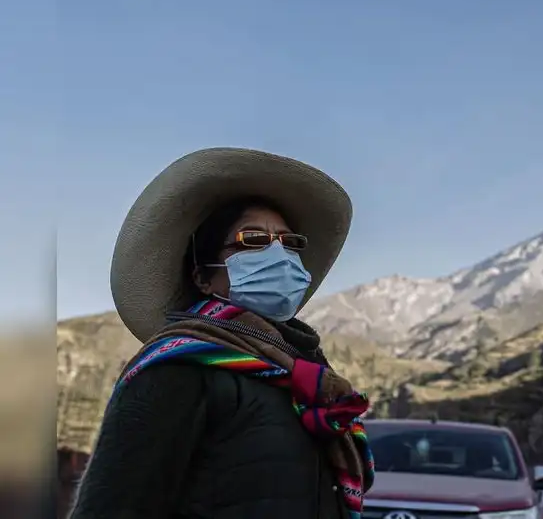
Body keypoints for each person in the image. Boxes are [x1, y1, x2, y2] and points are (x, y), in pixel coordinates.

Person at [69, 147, 374, 519]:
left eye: (290, 242)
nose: (278, 253)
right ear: (203, 275)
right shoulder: (177, 370)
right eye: (253, 240)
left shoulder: (302, 377)